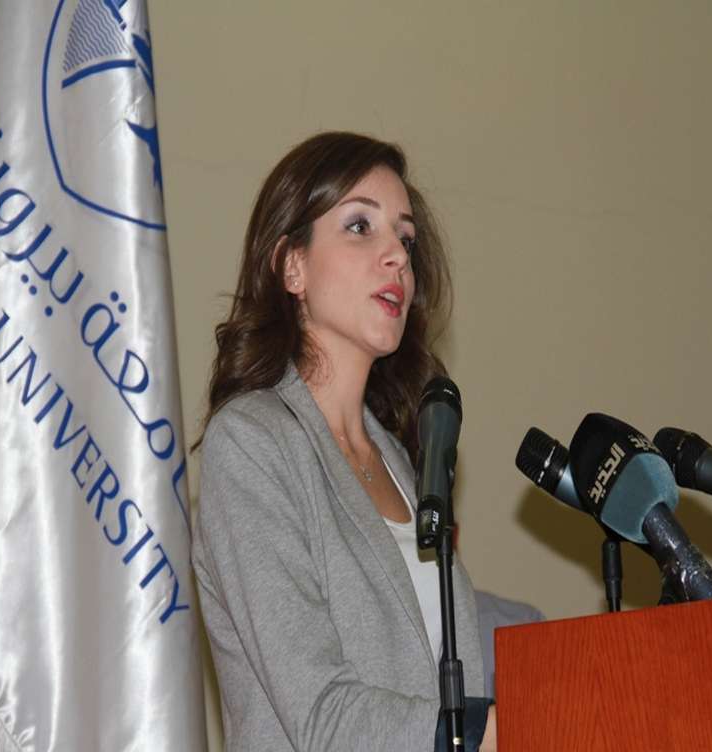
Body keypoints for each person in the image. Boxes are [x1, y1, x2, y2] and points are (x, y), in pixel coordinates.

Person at [192, 132, 496, 751]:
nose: (397, 258)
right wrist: (492, 734)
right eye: (360, 226)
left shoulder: (406, 464)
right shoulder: (251, 444)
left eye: (406, 239)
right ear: (292, 265)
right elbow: (320, 713)